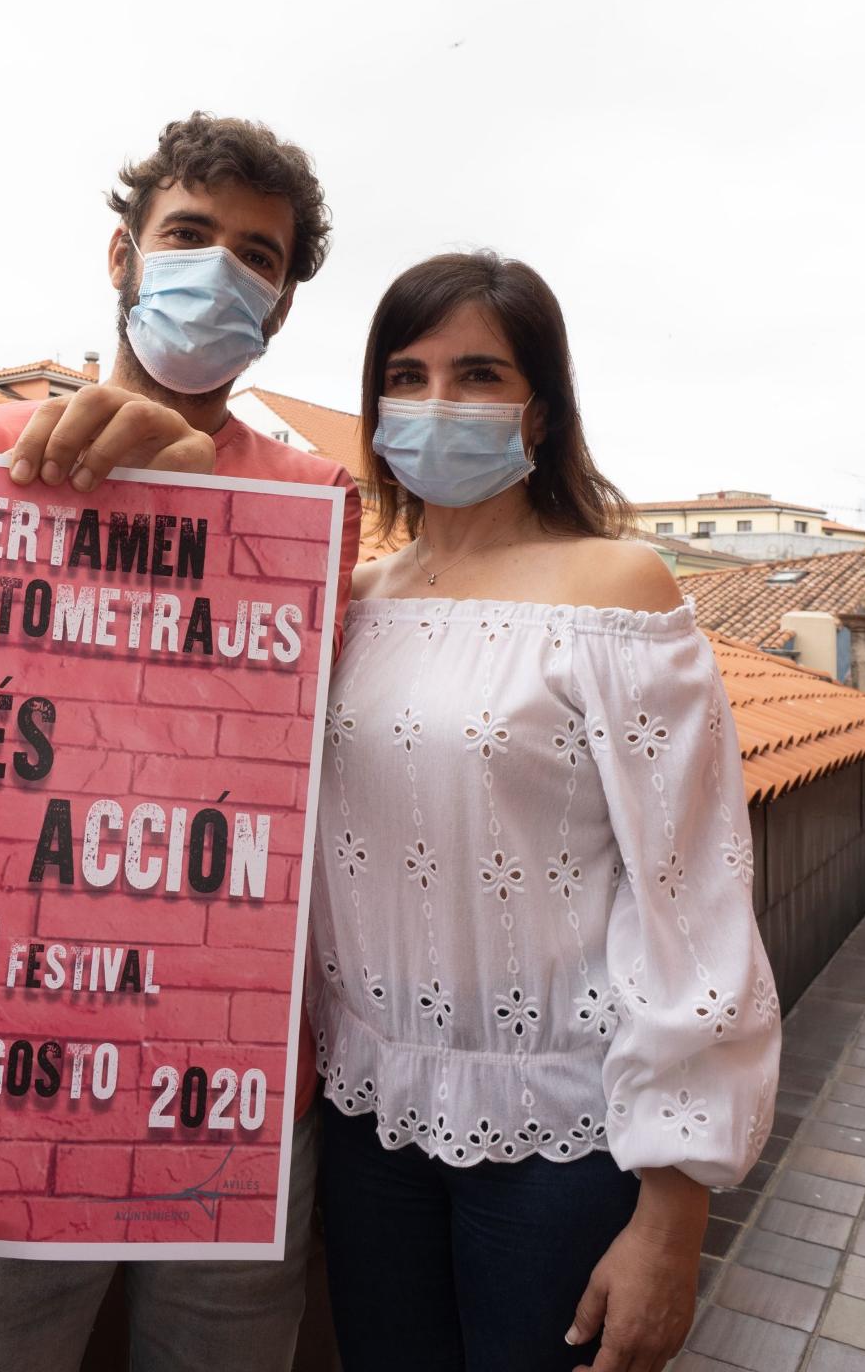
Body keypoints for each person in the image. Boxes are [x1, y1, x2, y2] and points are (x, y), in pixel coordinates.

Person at [0, 112, 363, 1372]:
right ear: (121, 255)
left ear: (284, 306)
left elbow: (285, 729)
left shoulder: (316, 508)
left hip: (237, 1076)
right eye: (190, 234)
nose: (220, 271)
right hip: (0, 1059)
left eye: (259, 256)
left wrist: (196, 491)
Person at [308, 253, 781, 1372]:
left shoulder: (619, 592)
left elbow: (694, 897)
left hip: (564, 1137)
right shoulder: (353, 599)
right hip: (369, 1114)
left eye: (478, 374)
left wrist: (673, 1211)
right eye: (408, 374)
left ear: (543, 407)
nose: (437, 403)